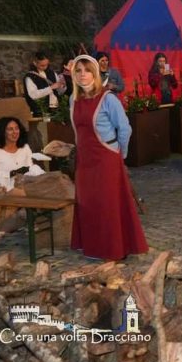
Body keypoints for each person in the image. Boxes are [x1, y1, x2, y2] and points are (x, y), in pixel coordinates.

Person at [70, 55, 148, 260]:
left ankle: (113, 248)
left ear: (95, 73)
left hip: (106, 159)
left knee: (108, 205)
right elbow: (77, 132)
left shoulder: (108, 99)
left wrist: (119, 153)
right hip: (85, 161)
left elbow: (125, 128)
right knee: (89, 203)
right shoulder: (73, 100)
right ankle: (93, 247)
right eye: (78, 70)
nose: (83, 75)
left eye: (87, 70)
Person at [0, 117, 45, 191]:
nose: (15, 132)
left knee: (35, 169)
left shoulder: (25, 148)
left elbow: (30, 169)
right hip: (6, 190)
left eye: (16, 128)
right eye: (10, 129)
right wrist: (13, 173)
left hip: (26, 185)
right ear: (2, 132)